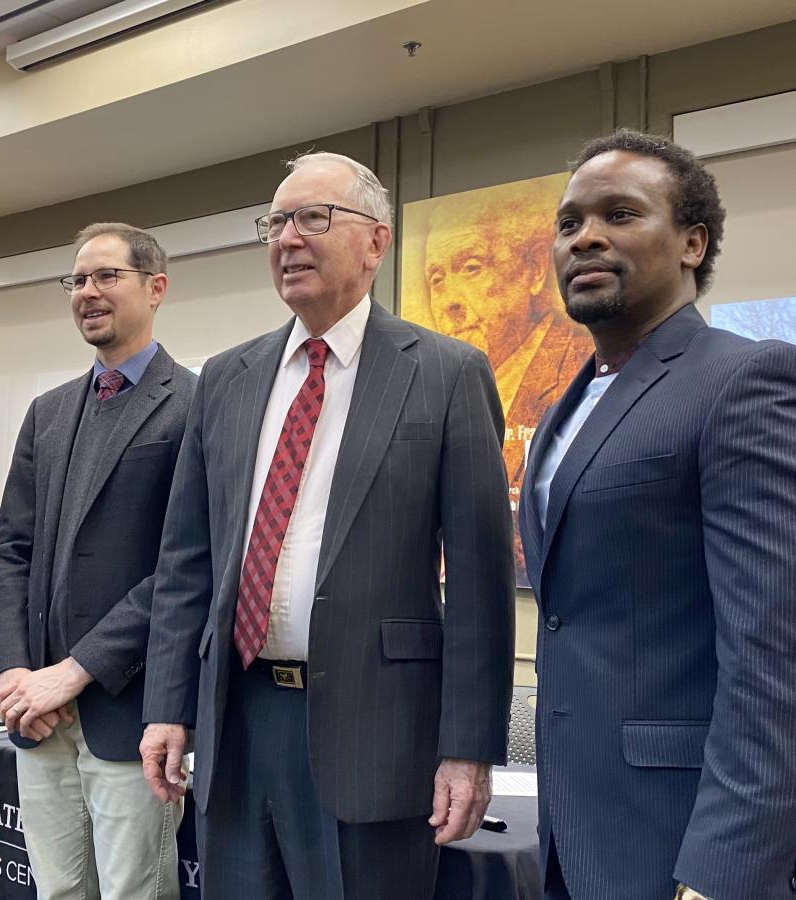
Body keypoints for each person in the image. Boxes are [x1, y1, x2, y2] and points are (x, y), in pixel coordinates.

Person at [140, 152, 515, 899]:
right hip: (237, 727)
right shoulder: (227, 378)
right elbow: (188, 562)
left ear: (376, 242)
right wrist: (167, 707)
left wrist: (468, 751)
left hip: (377, 738)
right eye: (276, 222)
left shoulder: (445, 373)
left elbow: (480, 584)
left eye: (314, 218)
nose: (288, 238)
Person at [520, 129, 796, 900]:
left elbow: (785, 669)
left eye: (620, 214)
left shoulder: (754, 382)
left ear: (692, 242)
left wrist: (724, 875)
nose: (586, 238)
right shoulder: (565, 410)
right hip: (582, 836)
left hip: (696, 847)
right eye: (569, 222)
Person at [0, 222, 196, 899]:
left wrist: (72, 674)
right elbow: (10, 548)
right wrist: (17, 673)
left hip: (130, 710)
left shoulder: (196, 405)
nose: (87, 292)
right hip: (39, 716)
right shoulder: (47, 413)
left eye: (107, 276)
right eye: (77, 280)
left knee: (136, 891)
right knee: (56, 891)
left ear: (155, 288)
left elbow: (186, 567)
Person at [418, 178, 592, 580]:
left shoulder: (579, 374)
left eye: (471, 267)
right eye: (437, 279)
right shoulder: (435, 386)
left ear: (532, 272)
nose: (450, 300)